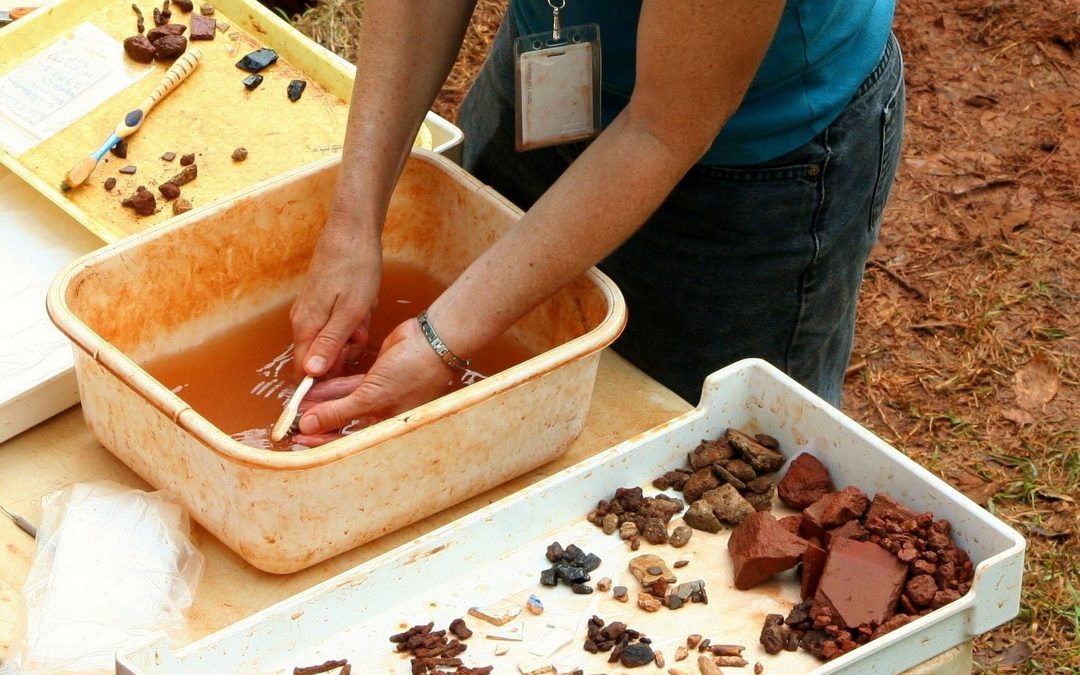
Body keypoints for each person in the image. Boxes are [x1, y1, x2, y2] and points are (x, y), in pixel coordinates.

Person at [289, 0, 905, 445]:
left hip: (750, 165)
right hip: (555, 64)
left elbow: (664, 128)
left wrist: (440, 340)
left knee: (706, 454)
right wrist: (353, 220)